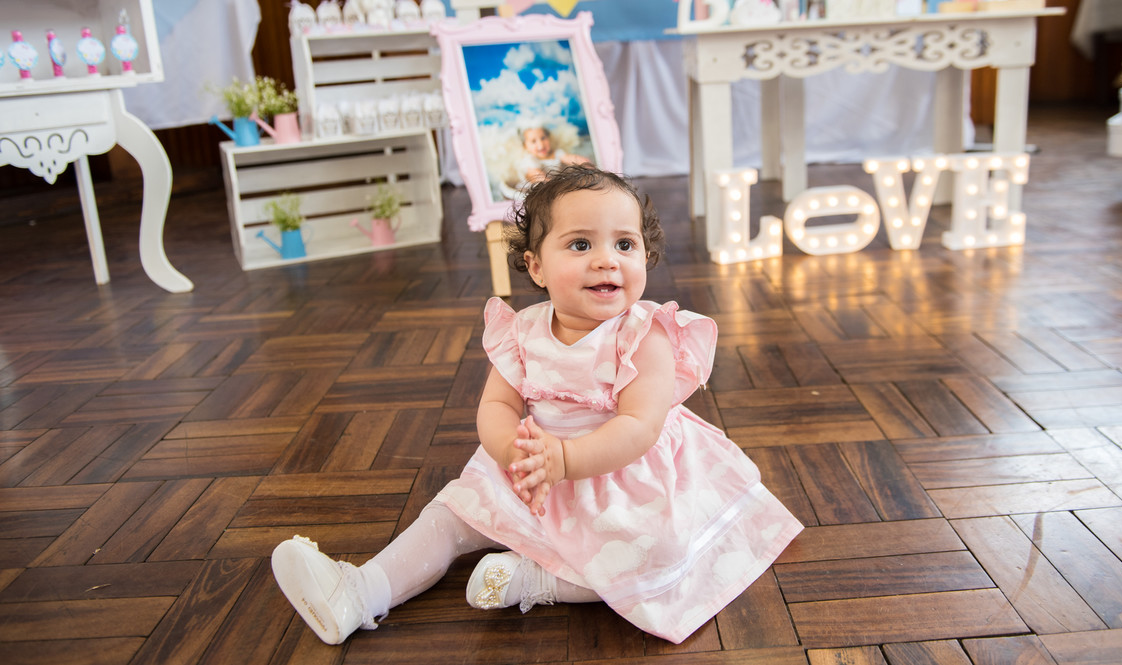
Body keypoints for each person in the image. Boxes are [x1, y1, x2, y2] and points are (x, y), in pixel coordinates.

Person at [270, 165, 803, 645]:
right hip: (533, 463)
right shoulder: (522, 331)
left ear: (645, 255)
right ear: (536, 266)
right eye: (580, 244)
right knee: (449, 516)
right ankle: (359, 592)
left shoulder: (646, 335)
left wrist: (565, 461)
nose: (607, 260)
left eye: (625, 244)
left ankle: (536, 579)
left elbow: (640, 425)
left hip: (624, 475)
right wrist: (515, 457)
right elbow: (496, 407)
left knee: (653, 549)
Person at [513, 124, 590, 190]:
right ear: (525, 146)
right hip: (535, 190)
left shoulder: (556, 153)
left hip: (554, 186)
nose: (541, 144)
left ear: (549, 138)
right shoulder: (530, 160)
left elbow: (571, 158)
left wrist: (584, 163)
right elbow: (538, 177)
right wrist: (555, 184)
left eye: (543, 138)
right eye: (533, 141)